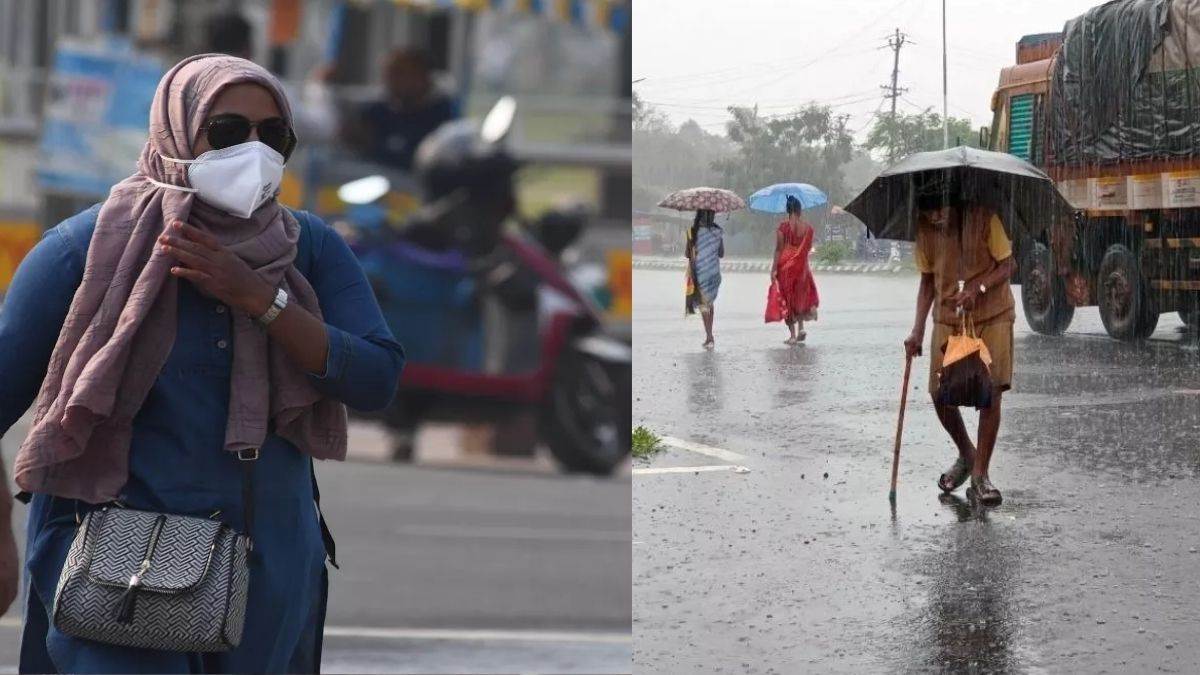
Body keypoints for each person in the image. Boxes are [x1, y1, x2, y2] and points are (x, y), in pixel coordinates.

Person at [0, 54, 404, 672]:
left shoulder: (308, 248)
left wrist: (260, 301)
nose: (253, 150)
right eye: (227, 131)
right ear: (176, 129)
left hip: (270, 569)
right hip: (118, 576)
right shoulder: (85, 252)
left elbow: (376, 377)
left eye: (274, 136)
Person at [903, 190, 1016, 506]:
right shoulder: (924, 232)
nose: (936, 219)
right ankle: (968, 455)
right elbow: (927, 282)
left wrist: (978, 289)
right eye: (929, 215)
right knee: (940, 394)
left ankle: (980, 475)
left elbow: (1008, 265)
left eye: (940, 211)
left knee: (990, 392)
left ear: (951, 201)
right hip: (949, 318)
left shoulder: (983, 217)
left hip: (992, 314)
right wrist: (917, 330)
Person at [203, 11, 339, 144]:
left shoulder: (190, 91)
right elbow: (323, 129)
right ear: (249, 48)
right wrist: (318, 86)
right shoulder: (269, 89)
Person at [343, 48, 458, 172]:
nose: (390, 81)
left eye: (398, 73)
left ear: (422, 76)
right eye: (387, 74)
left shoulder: (443, 116)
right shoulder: (374, 112)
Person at [767, 195, 819, 344]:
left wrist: (773, 269)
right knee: (800, 296)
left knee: (787, 299)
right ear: (799, 210)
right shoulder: (808, 229)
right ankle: (801, 327)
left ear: (788, 210)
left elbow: (778, 249)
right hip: (802, 267)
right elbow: (808, 248)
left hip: (785, 268)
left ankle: (792, 336)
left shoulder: (782, 228)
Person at [685, 209, 723, 348]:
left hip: (700, 272)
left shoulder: (693, 232)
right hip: (714, 272)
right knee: (709, 303)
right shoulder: (717, 231)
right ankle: (709, 335)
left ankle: (709, 336)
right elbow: (721, 253)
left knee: (703, 305)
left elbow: (688, 254)